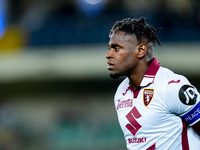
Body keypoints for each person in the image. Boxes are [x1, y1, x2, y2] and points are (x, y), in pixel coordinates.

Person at [106, 17, 200, 150]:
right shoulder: (121, 92)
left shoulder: (171, 87)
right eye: (110, 48)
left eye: (116, 48)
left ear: (141, 50)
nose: (108, 54)